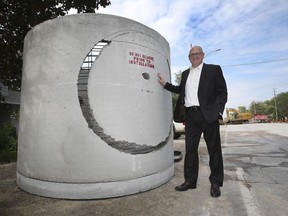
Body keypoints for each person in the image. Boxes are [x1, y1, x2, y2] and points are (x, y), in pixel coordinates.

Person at [157, 45, 227, 198]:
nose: (195, 56)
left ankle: (215, 182)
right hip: (191, 116)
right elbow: (180, 90)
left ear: (202, 55)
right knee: (190, 150)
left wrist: (218, 112)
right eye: (192, 54)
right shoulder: (185, 74)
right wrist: (165, 84)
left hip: (208, 116)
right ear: (189, 57)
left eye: (197, 53)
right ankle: (190, 181)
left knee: (214, 150)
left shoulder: (214, 70)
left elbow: (222, 92)